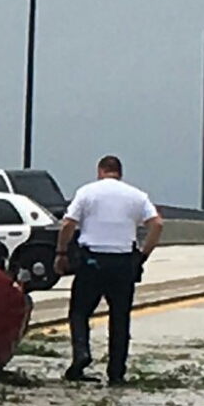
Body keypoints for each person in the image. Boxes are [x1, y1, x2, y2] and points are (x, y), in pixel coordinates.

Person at [56, 154, 163, 385]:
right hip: (122, 261)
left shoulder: (87, 192)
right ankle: (116, 373)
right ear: (119, 173)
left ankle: (81, 354)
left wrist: (62, 252)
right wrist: (143, 255)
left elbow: (67, 223)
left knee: (79, 311)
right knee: (119, 318)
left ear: (100, 171)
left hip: (92, 259)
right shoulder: (137, 195)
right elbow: (157, 224)